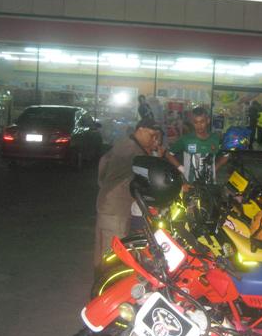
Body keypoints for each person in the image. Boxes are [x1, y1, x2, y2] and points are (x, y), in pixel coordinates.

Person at [94, 117, 160, 272]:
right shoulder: (133, 150)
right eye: (152, 136)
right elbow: (150, 174)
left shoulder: (125, 143)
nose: (154, 141)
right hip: (115, 209)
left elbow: (103, 161)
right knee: (113, 252)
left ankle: (105, 280)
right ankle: (108, 283)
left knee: (107, 249)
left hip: (110, 204)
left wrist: (105, 185)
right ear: (140, 130)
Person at [167, 107, 228, 184]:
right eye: (195, 122)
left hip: (210, 184)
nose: (199, 126)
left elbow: (226, 155)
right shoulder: (186, 139)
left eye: (202, 122)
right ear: (192, 122)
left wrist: (215, 168)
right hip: (190, 184)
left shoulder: (215, 138)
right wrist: (182, 168)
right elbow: (169, 154)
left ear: (208, 121)